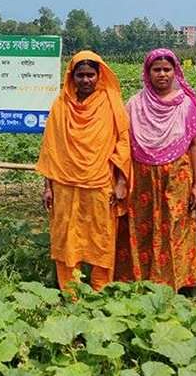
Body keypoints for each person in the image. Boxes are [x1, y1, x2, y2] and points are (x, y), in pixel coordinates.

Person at [37, 50, 131, 293]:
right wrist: (47, 187)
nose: (86, 80)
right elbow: (51, 147)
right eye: (81, 75)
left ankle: (100, 290)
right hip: (64, 184)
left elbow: (123, 143)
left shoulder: (111, 102)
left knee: (101, 238)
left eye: (91, 75)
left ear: (99, 75)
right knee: (66, 238)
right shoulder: (61, 105)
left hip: (101, 182)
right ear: (72, 76)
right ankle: (71, 293)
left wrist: (121, 182)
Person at [116, 49, 196, 294]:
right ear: (148, 73)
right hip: (142, 176)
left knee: (176, 226)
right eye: (156, 70)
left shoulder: (186, 104)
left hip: (177, 176)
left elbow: (195, 145)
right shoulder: (135, 104)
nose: (162, 74)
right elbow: (123, 144)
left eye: (167, 69)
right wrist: (121, 180)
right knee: (141, 225)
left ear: (175, 72)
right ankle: (140, 283)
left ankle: (177, 285)